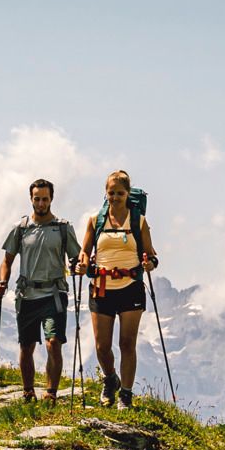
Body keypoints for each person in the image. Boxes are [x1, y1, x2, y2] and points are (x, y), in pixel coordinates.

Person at [78, 169, 157, 408]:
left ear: (127, 194)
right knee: (102, 347)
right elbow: (85, 251)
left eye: (120, 193)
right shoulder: (95, 220)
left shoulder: (138, 221)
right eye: (111, 193)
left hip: (130, 287)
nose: (115, 197)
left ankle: (126, 394)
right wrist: (82, 262)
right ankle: (110, 379)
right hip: (101, 288)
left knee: (126, 343)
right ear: (106, 193)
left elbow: (152, 256)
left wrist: (148, 264)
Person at [0, 178, 76, 403]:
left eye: (45, 199)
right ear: (31, 199)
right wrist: (2, 281)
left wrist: (79, 264)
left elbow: (76, 257)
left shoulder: (62, 228)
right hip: (27, 294)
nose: (41, 203)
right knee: (26, 345)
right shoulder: (20, 229)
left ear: (51, 199)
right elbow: (7, 261)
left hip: (54, 294)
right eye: (37, 199)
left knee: (53, 342)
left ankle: (51, 393)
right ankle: (28, 391)